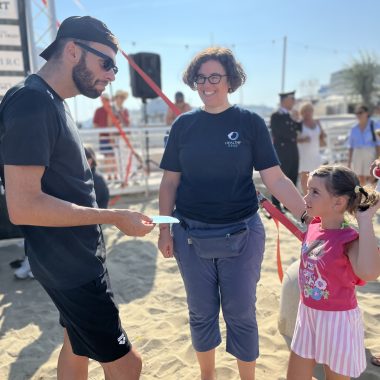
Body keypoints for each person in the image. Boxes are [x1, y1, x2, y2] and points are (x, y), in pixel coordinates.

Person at [0, 16, 155, 380]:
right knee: (128, 365)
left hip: (67, 259)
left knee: (76, 345)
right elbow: (23, 205)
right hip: (71, 266)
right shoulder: (32, 102)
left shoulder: (49, 100)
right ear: (72, 50)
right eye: (106, 63)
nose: (113, 75)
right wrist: (113, 217)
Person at [158, 46, 308, 380]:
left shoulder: (249, 122)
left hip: (242, 233)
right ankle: (208, 376)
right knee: (201, 313)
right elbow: (169, 182)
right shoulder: (183, 126)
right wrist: (164, 229)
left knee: (241, 313)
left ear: (230, 81)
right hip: (191, 235)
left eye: (215, 77)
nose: (206, 84)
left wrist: (308, 217)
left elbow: (276, 179)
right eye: (201, 78)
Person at [287, 164, 380, 380]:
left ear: (338, 202)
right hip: (307, 315)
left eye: (314, 192)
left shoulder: (348, 239)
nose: (306, 197)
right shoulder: (314, 225)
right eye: (308, 190)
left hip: (337, 323)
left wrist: (365, 221)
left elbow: (369, 273)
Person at [270, 91, 302, 212]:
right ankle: (276, 204)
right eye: (291, 99)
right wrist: (293, 134)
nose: (293, 101)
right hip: (282, 151)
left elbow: (299, 128)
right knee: (281, 178)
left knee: (293, 176)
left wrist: (297, 118)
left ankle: (289, 204)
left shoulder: (291, 115)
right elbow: (279, 132)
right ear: (284, 100)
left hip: (293, 150)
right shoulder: (276, 116)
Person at [297, 103, 327, 194]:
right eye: (305, 111)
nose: (308, 113)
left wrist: (323, 135)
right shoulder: (299, 124)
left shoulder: (317, 122)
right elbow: (293, 139)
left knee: (317, 175)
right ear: (302, 113)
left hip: (315, 153)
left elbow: (322, 135)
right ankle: (307, 198)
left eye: (309, 110)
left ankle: (316, 196)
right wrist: (303, 140)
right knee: (304, 176)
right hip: (303, 154)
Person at [347, 105, 380, 186]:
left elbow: (378, 144)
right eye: (357, 113)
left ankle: (372, 197)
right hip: (357, 154)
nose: (358, 115)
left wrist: (378, 159)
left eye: (360, 112)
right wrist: (349, 162)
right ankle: (364, 196)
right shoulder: (353, 128)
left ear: (366, 113)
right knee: (359, 178)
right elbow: (350, 146)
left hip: (370, 153)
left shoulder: (374, 125)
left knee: (372, 176)